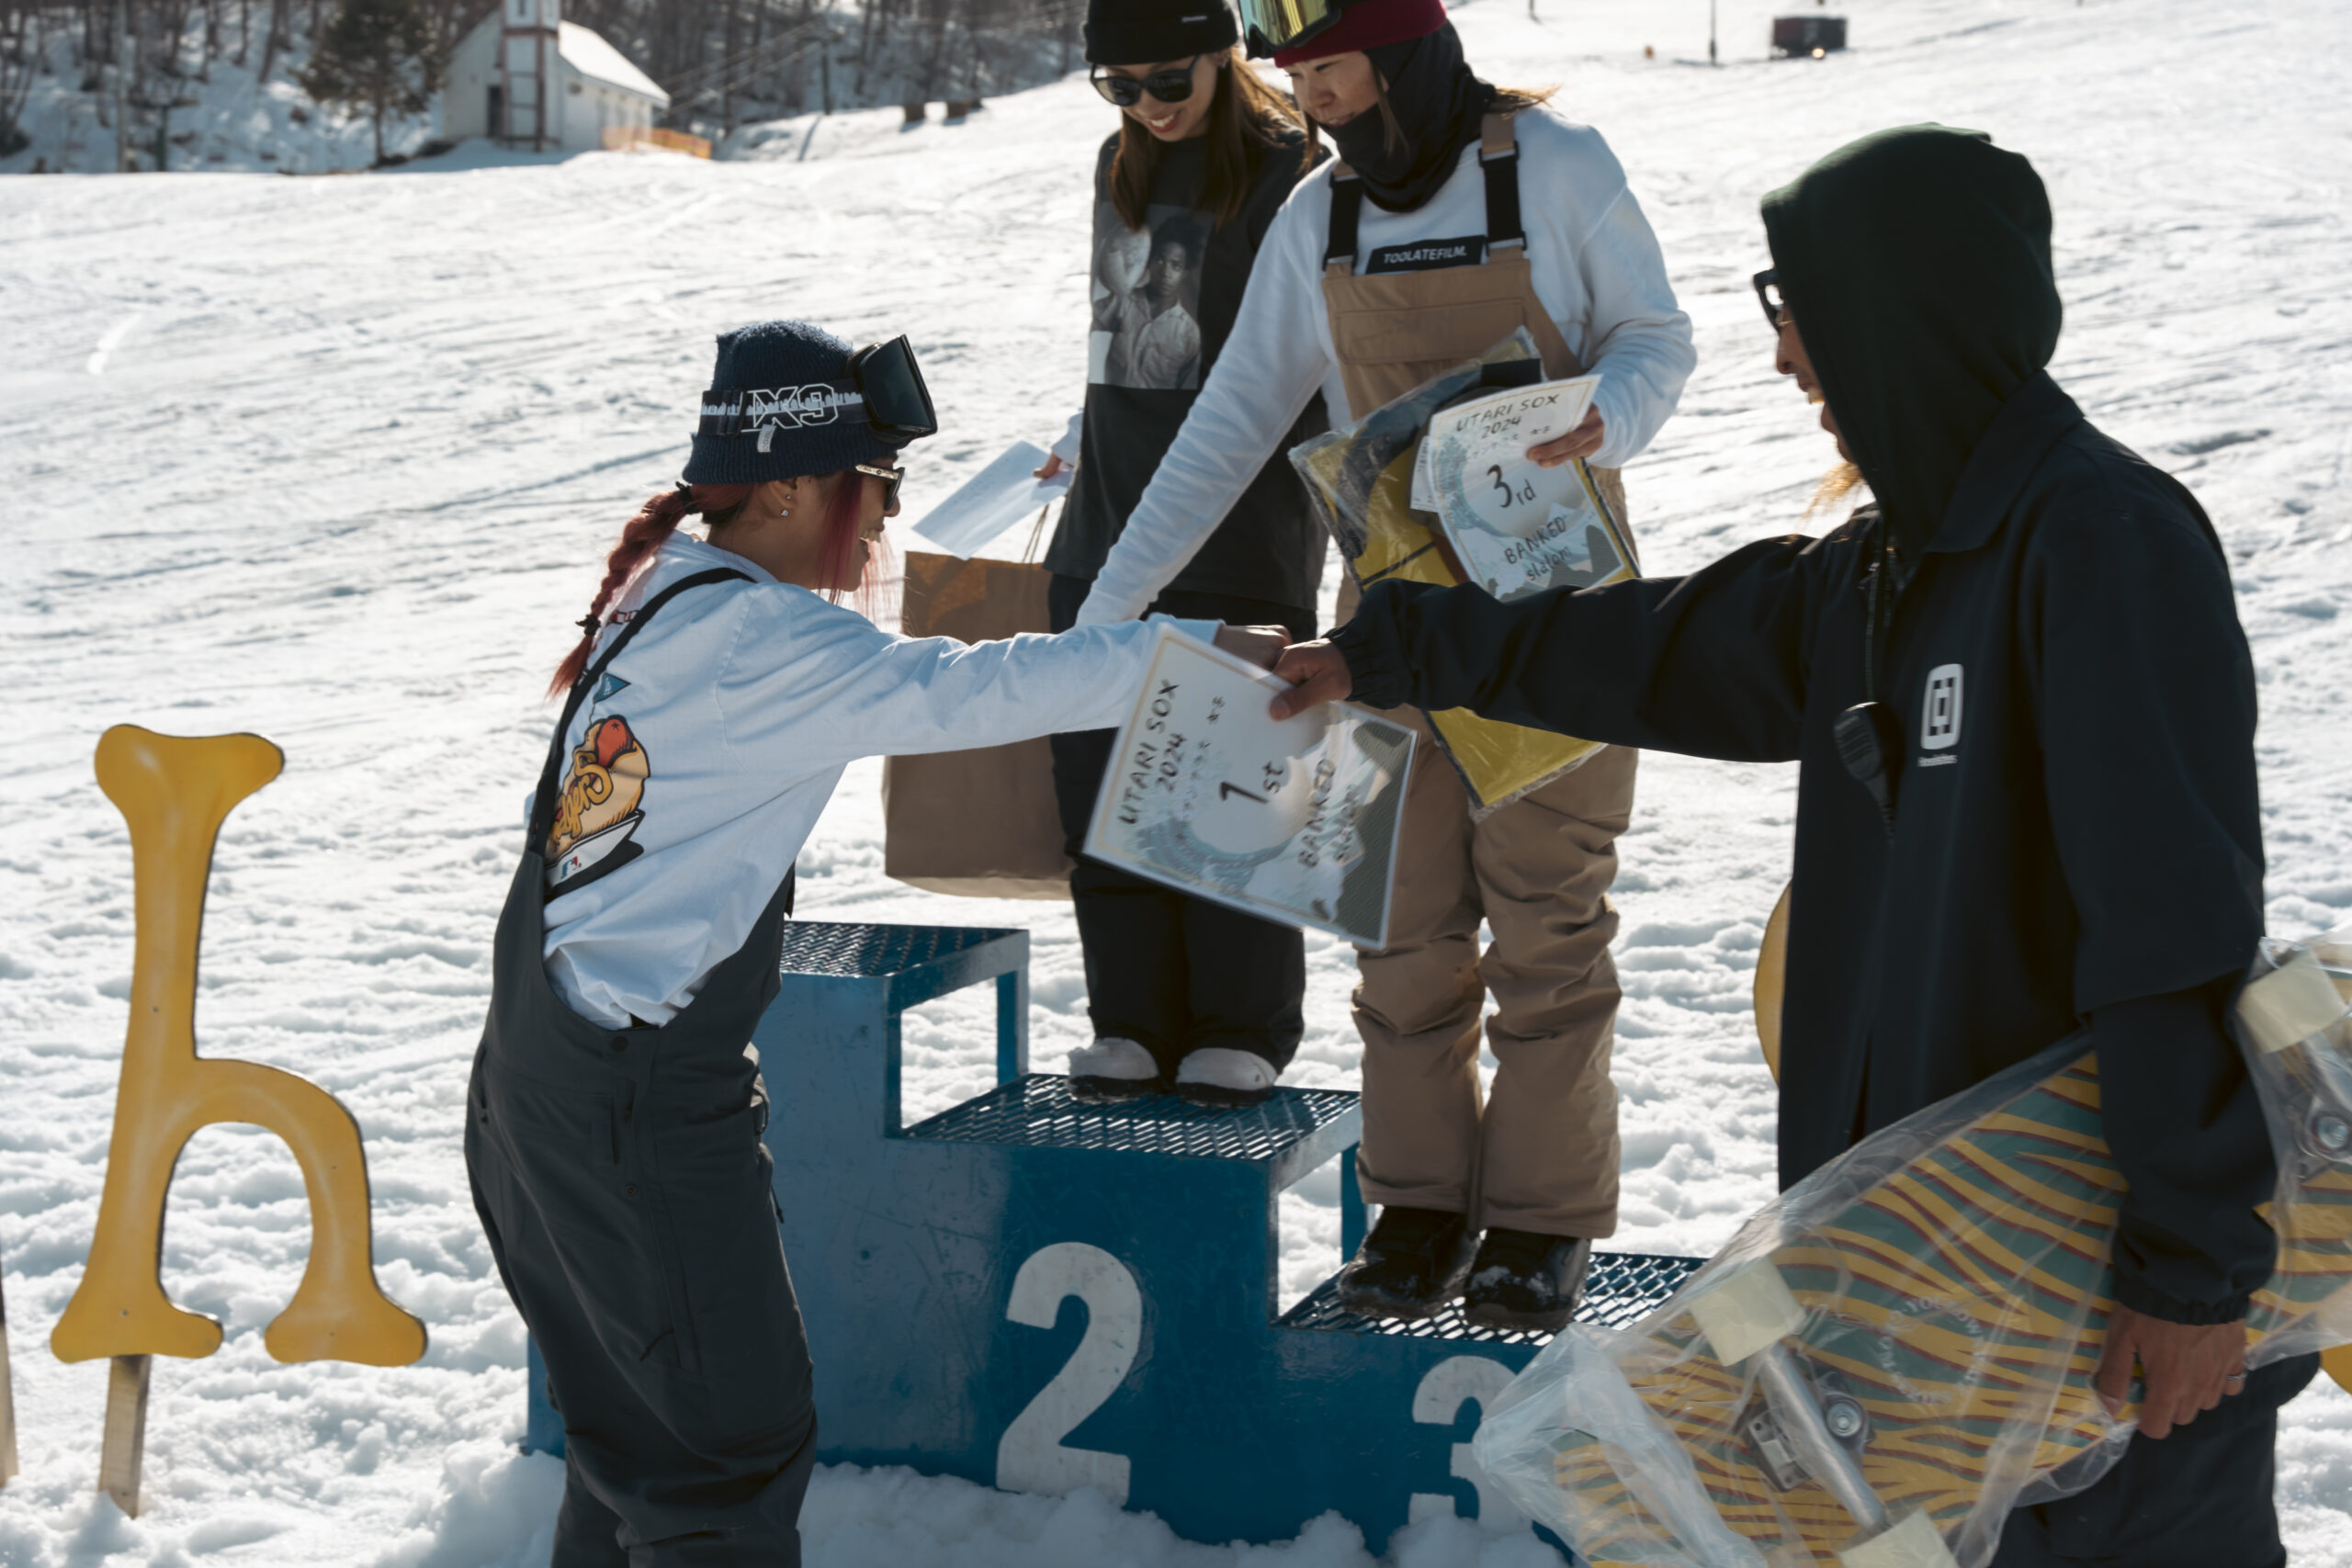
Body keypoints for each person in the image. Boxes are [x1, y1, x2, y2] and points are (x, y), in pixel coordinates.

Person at [1272, 125, 2312, 1567]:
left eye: (1798, 308)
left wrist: (2193, 1273)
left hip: (2097, 1288)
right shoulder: (1887, 570)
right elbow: (1646, 644)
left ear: (1907, 308)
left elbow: (2172, 926)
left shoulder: (2099, 543)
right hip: (1926, 1272)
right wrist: (1384, 646)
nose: (1782, 357)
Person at [466, 320, 1286, 1565]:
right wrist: (1202, 653)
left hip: (538, 1086)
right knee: (722, 1452)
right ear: (785, 488)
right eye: (875, 484)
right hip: (633, 1107)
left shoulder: (666, 591)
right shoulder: (766, 640)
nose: (888, 519)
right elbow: (976, 690)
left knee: (633, 1432)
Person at [1074, 0, 1695, 1329]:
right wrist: (1109, 608)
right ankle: (1413, 1210)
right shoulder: (1320, 213)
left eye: (1334, 67)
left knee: (1549, 929)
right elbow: (1234, 420)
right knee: (1399, 930)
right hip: (1390, 627)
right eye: (1297, 75)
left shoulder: (1553, 165)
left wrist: (1607, 415)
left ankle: (1540, 1224)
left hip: (1558, 612)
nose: (1315, 97)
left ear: (1406, 46)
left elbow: (1657, 335)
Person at [1040, 0, 1329, 1110]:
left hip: (1244, 540)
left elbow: (1302, 368)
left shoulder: (1296, 170)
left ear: (1223, 53)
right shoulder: (1118, 167)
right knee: (1104, 797)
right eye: (1118, 87)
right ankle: (1130, 1020)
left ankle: (1240, 1025)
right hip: (1104, 531)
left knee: (1227, 800)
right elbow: (1135, 346)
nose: (1147, 107)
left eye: (1169, 80)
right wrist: (1077, 442)